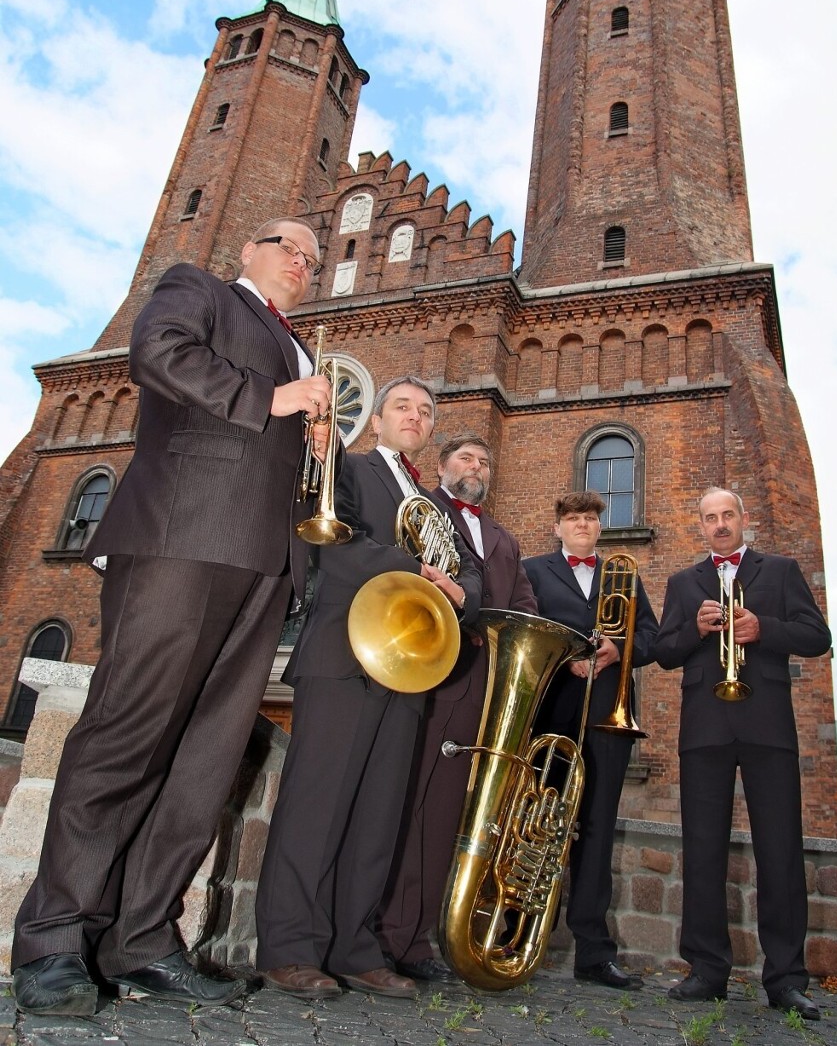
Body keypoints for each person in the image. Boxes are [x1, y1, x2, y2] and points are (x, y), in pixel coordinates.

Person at [12, 219, 333, 1017]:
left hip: (266, 565)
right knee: (127, 732)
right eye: (287, 246)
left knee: (203, 763)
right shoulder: (202, 290)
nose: (301, 261)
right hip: (181, 538)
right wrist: (274, 397)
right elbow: (158, 354)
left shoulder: (302, 346)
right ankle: (54, 938)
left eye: (313, 259)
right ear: (249, 253)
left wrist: (315, 445)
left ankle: (144, 939)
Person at [254, 379, 482, 1001]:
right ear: (376, 420)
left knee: (378, 818)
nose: (415, 415)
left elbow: (472, 575)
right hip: (343, 655)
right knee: (317, 808)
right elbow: (330, 542)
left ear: (431, 430)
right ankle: (289, 948)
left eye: (425, 410)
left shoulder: (431, 504)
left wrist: (463, 594)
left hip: (407, 666)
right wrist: (417, 572)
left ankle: (354, 948)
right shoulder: (347, 469)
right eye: (402, 406)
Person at [653, 487, 831, 1022]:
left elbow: (816, 636)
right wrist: (695, 629)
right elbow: (663, 652)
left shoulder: (779, 571)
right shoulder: (685, 583)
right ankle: (707, 971)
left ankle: (786, 979)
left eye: (728, 515)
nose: (721, 525)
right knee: (701, 849)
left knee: (781, 851)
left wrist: (764, 629)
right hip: (705, 727)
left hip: (768, 726)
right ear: (701, 526)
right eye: (710, 518)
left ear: (743, 519)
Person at [377, 432, 538, 982]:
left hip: (478, 683)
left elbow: (523, 607)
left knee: (444, 811)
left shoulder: (503, 538)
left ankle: (413, 940)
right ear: (442, 466)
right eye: (466, 458)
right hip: (425, 668)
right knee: (404, 802)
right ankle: (378, 929)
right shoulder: (420, 509)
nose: (476, 465)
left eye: (484, 460)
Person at [524, 491, 657, 990]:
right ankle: (518, 935)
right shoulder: (533, 570)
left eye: (589, 519)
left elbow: (651, 639)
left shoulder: (624, 574)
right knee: (538, 820)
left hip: (607, 717)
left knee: (597, 831)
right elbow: (528, 628)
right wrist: (565, 656)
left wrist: (615, 648)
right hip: (552, 714)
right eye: (572, 518)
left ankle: (594, 954)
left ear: (600, 528)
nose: (582, 525)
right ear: (557, 527)